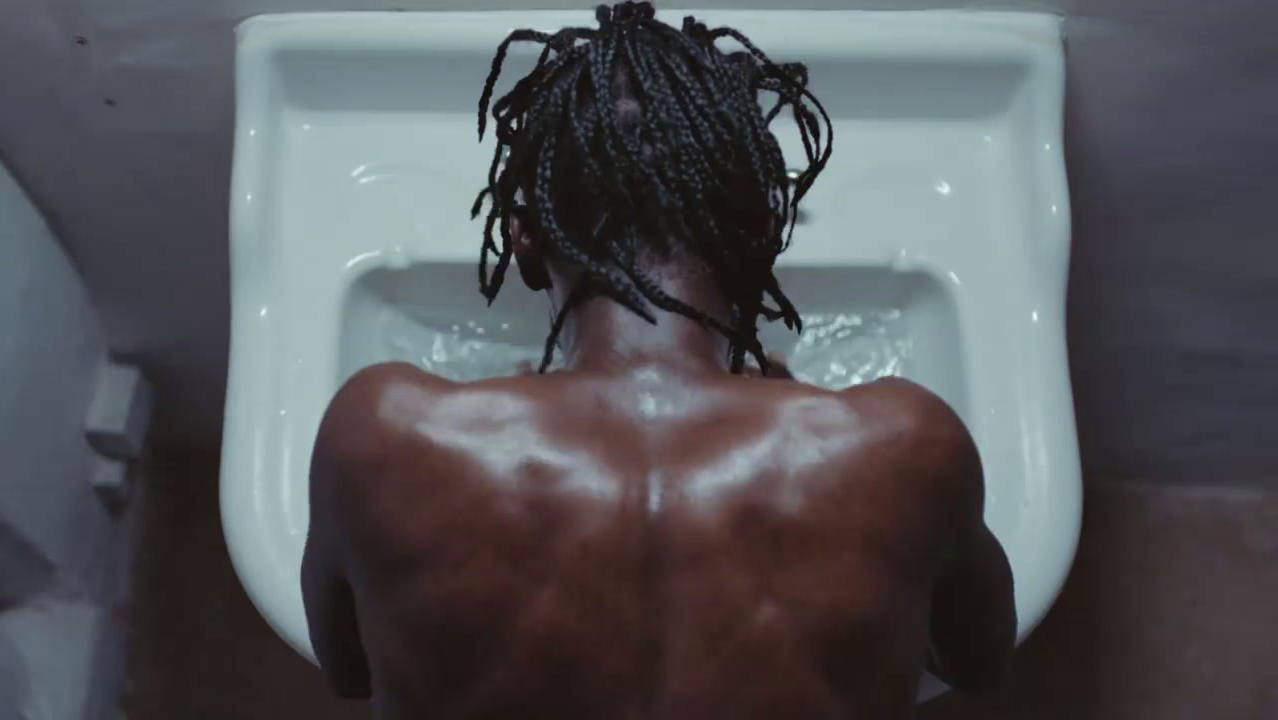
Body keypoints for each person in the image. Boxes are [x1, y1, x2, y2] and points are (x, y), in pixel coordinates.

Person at [301, 3, 1015, 718]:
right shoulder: (905, 450)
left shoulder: (378, 438)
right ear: (766, 232)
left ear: (521, 240)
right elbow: (974, 658)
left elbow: (346, 670)